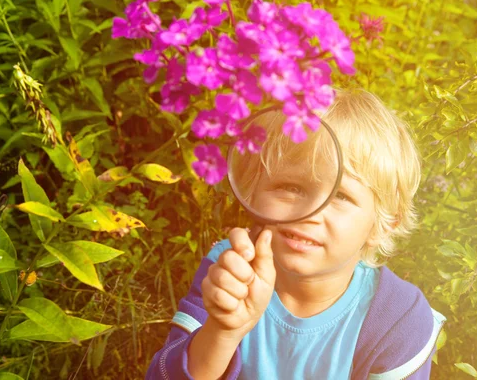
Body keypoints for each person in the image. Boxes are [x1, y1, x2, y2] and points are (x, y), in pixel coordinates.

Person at [145, 88, 447, 380]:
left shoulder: (398, 319)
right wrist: (222, 331)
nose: (311, 214)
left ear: (385, 222)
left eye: (341, 196)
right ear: (253, 190)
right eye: (291, 187)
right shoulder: (230, 270)